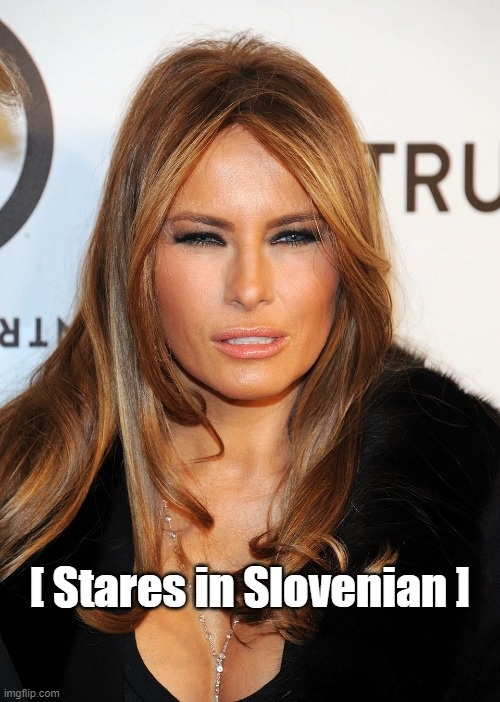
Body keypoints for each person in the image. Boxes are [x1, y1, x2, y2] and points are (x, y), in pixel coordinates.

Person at [0, 33, 499, 702]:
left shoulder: (469, 498)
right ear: (137, 258)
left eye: (293, 235)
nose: (250, 288)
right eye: (203, 237)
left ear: (347, 259)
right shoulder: (22, 497)